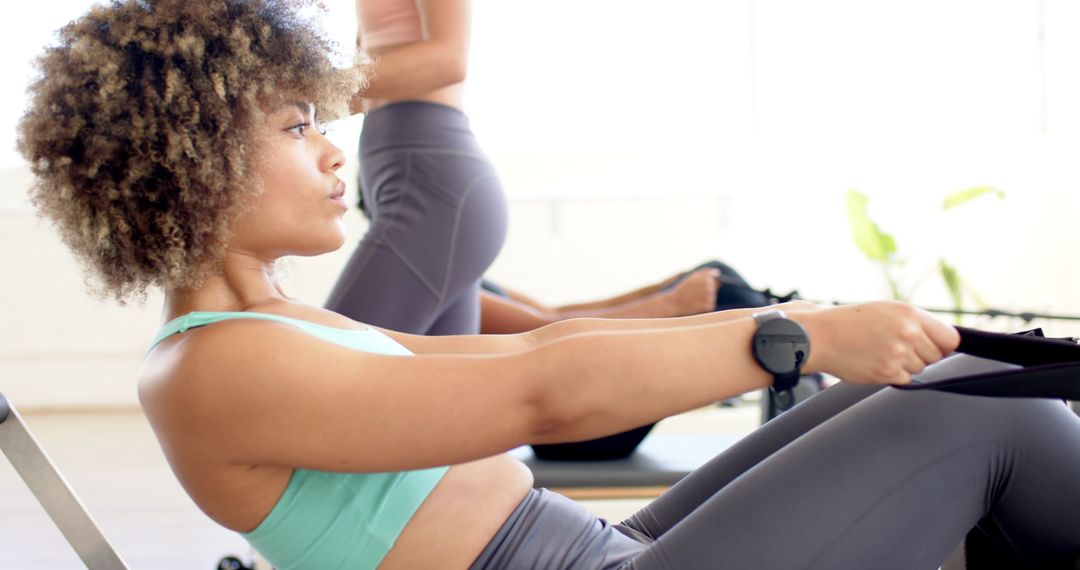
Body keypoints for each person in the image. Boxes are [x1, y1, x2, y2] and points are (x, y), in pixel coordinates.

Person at [17, 2, 1080, 569]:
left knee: (937, 384)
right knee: (988, 417)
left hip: (603, 550)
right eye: (298, 127)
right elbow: (543, 399)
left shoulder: (271, 327)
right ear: (194, 161)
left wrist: (786, 324)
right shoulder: (210, 367)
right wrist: (788, 336)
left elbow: (529, 353)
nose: (335, 149)